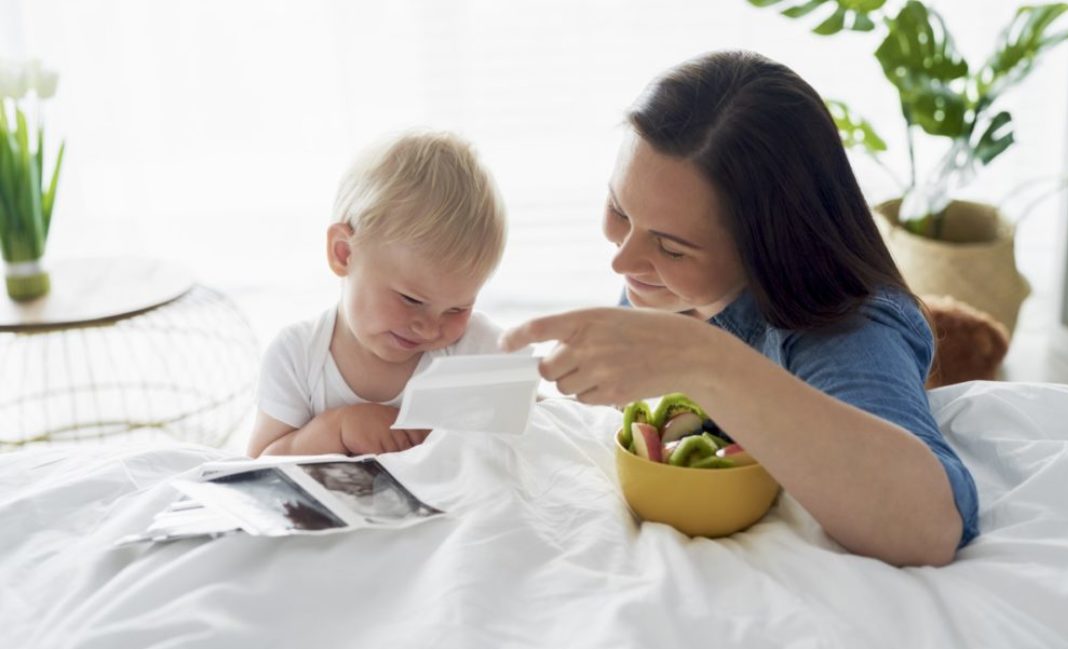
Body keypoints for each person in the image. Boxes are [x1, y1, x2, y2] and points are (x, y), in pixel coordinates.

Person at [500, 50, 978, 567]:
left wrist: (704, 360)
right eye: (619, 208)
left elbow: (931, 527)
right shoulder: (663, 284)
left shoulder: (845, 335)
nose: (622, 259)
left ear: (768, 245)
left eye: (672, 247)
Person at [248, 130, 508, 458]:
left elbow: (541, 430)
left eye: (457, 308)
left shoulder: (475, 352)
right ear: (344, 253)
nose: (430, 328)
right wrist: (336, 429)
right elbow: (258, 466)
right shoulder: (297, 358)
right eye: (411, 300)